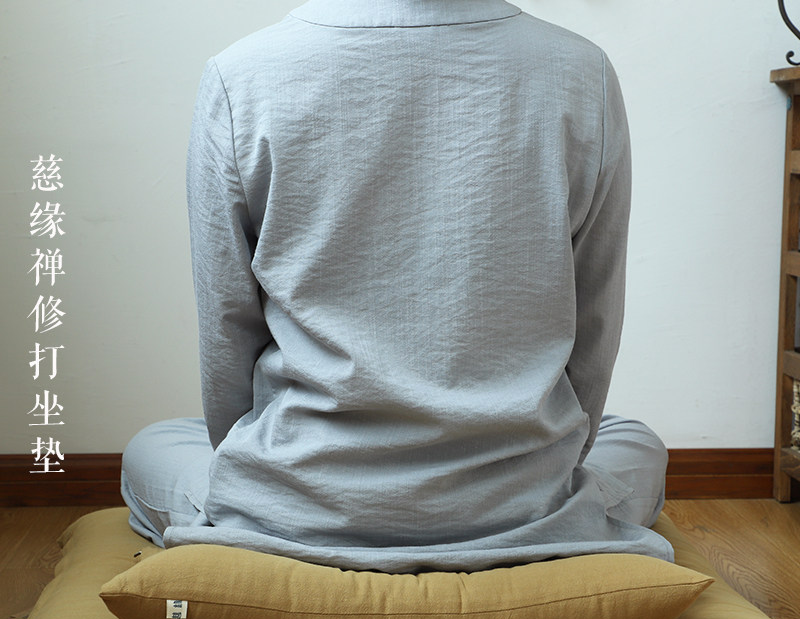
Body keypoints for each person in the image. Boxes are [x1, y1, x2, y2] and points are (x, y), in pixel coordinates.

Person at [121, 0, 672, 572]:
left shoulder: (240, 72)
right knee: (634, 441)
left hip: (299, 502)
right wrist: (548, 471)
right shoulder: (582, 69)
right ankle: (526, 529)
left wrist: (252, 472)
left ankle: (267, 523)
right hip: (519, 505)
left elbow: (227, 322)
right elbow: (595, 314)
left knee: (156, 444)